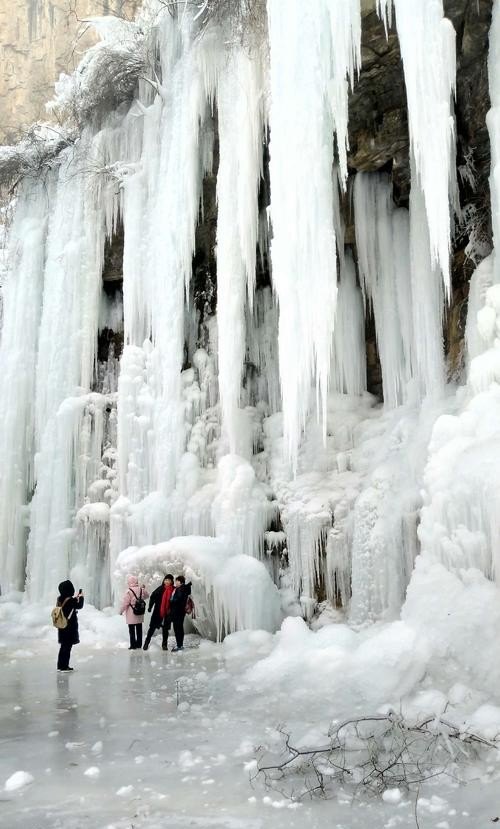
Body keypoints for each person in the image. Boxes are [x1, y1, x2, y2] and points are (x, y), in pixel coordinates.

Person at [56, 580, 84, 672]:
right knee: (67, 647)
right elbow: (79, 606)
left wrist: (75, 598)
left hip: (62, 626)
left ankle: (60, 665)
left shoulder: (60, 599)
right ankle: (65, 666)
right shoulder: (70, 600)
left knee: (63, 647)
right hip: (69, 627)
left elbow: (70, 604)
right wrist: (82, 597)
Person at [143, 574, 174, 651]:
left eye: (169, 580)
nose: (167, 581)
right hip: (157, 612)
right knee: (152, 628)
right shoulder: (160, 589)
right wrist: (150, 607)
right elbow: (153, 596)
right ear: (163, 581)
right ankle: (146, 642)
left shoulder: (173, 590)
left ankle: (164, 644)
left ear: (171, 581)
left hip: (167, 613)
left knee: (165, 629)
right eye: (166, 580)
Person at [120, 575, 149, 650]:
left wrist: (121, 611)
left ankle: (133, 645)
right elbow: (147, 596)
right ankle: (139, 644)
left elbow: (125, 603)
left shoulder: (128, 591)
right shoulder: (141, 589)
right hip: (139, 612)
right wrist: (142, 589)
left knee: (132, 630)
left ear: (129, 582)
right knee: (139, 629)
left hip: (131, 612)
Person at [169, 575, 192, 652]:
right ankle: (180, 644)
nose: (176, 582)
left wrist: (171, 600)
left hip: (177, 612)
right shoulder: (184, 589)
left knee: (177, 628)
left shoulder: (180, 589)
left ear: (180, 582)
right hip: (181, 612)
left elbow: (177, 599)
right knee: (180, 628)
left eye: (177, 581)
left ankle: (179, 645)